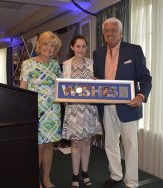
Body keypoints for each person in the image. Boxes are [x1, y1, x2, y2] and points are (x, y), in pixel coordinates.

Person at [93, 17, 152, 188]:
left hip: (128, 106)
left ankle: (132, 182)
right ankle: (116, 175)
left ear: (121, 33)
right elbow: (97, 76)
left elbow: (145, 78)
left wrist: (141, 96)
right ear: (103, 34)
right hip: (106, 106)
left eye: (114, 30)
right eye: (106, 31)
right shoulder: (98, 53)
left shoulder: (134, 50)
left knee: (130, 145)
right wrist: (94, 81)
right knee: (110, 143)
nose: (110, 33)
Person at [20, 31, 62, 188]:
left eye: (52, 46)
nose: (49, 48)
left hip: (53, 110)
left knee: (49, 145)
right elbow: (22, 90)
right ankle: (34, 179)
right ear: (39, 45)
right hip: (35, 111)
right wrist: (24, 112)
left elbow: (63, 87)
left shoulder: (56, 65)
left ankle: (46, 178)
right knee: (38, 146)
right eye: (46, 44)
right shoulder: (28, 64)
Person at [62, 35, 102, 188]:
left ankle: (85, 174)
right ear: (72, 47)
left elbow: (97, 82)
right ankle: (75, 176)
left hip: (89, 108)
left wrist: (96, 82)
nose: (81, 49)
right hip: (73, 108)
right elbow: (63, 88)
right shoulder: (65, 65)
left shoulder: (92, 63)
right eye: (77, 46)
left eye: (83, 46)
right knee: (76, 142)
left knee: (86, 142)